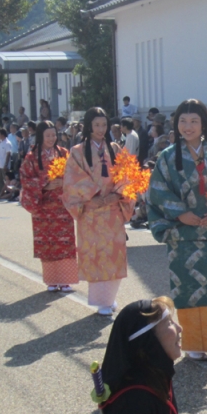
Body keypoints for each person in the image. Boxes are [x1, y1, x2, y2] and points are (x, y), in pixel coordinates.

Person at [147, 100, 207, 361]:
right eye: (183, 122)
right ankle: (193, 343)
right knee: (185, 287)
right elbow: (157, 191)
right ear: (176, 124)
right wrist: (180, 213)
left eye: (194, 121)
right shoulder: (166, 157)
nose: (188, 127)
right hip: (181, 233)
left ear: (204, 125)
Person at [62, 107, 136, 315]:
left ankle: (109, 298)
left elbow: (126, 175)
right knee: (96, 253)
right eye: (96, 125)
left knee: (114, 253)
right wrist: (93, 197)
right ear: (88, 126)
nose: (101, 129)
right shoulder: (77, 151)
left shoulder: (115, 148)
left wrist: (117, 194)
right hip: (91, 211)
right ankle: (102, 301)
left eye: (104, 125)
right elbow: (72, 179)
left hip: (112, 209)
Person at [20, 121, 77, 293]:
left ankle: (66, 280)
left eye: (54, 135)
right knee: (47, 242)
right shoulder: (31, 157)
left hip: (62, 205)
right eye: (48, 135)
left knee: (65, 241)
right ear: (40, 136)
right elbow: (26, 179)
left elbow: (75, 173)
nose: (51, 138)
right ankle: (52, 280)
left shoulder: (63, 153)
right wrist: (45, 184)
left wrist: (65, 182)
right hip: (43, 206)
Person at [0, 128, 12, 198]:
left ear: (2, 134)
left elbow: (8, 154)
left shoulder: (7, 143)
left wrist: (6, 164)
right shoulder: (0, 142)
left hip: (4, 165)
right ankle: (0, 192)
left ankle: (7, 193)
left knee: (6, 180)